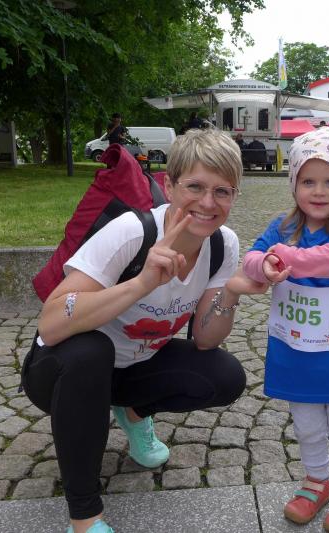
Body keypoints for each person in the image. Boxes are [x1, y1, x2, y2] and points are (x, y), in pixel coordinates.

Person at [22, 129, 268, 533]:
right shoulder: (132, 232)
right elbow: (51, 321)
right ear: (168, 185)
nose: (208, 203)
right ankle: (84, 516)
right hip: (59, 373)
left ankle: (134, 412)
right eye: (195, 187)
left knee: (224, 376)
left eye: (222, 191)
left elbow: (205, 339)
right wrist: (141, 283)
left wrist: (231, 292)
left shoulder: (222, 244)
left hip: (133, 367)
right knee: (91, 351)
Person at [242, 127, 329, 533]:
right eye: (308, 181)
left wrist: (291, 258)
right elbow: (251, 257)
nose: (318, 191)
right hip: (295, 350)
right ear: (294, 183)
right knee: (307, 426)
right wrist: (263, 265)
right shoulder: (282, 226)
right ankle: (316, 481)